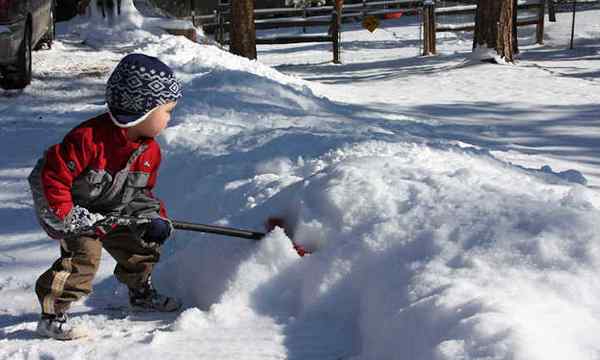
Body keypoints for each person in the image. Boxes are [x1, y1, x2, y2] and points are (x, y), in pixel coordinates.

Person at [28, 53, 183, 340]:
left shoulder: (150, 152)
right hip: (69, 208)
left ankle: (140, 293)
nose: (169, 118)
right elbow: (52, 177)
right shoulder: (88, 139)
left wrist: (153, 216)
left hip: (111, 209)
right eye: (167, 111)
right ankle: (52, 315)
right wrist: (68, 216)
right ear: (142, 110)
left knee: (140, 244)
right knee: (84, 258)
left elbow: (140, 193)